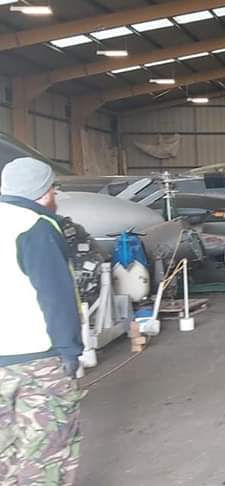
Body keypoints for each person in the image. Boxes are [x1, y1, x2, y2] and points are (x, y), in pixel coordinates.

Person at [0, 157, 84, 485]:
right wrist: (69, 349)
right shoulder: (35, 225)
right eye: (53, 189)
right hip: (36, 358)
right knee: (46, 452)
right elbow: (55, 293)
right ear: (45, 192)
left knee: (5, 450)